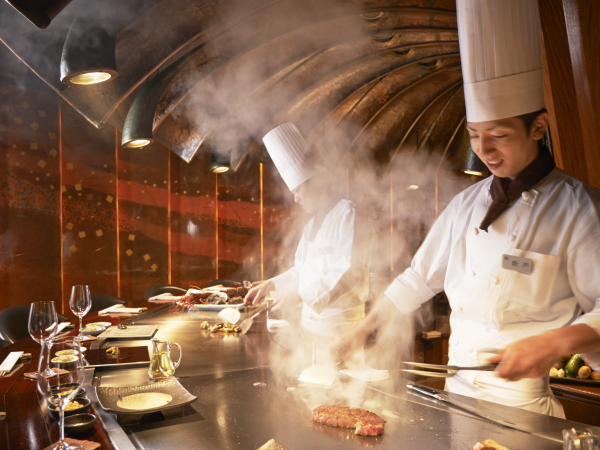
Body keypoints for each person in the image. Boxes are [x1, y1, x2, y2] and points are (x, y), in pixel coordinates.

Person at [331, 0, 600, 417]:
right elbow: (418, 278)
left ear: (539, 127)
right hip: (457, 398)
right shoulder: (466, 205)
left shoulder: (578, 208)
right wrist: (361, 331)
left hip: (524, 409)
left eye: (499, 134)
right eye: (475, 135)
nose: (484, 150)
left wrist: (553, 343)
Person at [244, 122, 372, 342]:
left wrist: (301, 296)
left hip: (342, 327)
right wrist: (271, 284)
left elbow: (349, 271)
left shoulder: (347, 214)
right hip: (310, 325)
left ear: (317, 183)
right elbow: (300, 270)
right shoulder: (313, 223)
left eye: (298, 189)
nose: (296, 198)